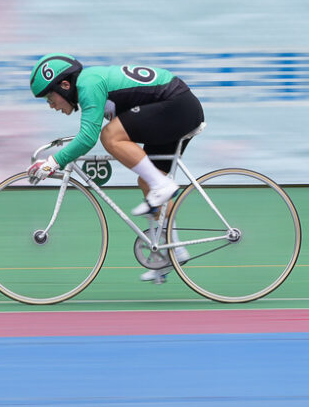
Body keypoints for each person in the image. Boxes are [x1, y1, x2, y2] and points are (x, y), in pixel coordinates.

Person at [27, 56, 205, 283]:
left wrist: (53, 162)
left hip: (177, 106)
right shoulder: (89, 85)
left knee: (110, 136)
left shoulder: (88, 84)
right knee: (146, 182)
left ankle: (163, 185)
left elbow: (88, 138)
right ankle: (175, 251)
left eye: (50, 98)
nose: (51, 106)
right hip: (176, 107)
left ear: (65, 85)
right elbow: (86, 133)